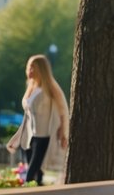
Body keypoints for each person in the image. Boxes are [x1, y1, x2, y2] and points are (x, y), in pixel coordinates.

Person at [5, 54, 69, 186]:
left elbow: (63, 111)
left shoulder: (50, 88)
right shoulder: (31, 88)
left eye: (33, 68)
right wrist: (17, 138)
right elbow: (27, 117)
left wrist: (63, 133)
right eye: (29, 67)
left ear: (42, 69)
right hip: (29, 138)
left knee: (29, 177)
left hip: (43, 138)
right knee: (37, 176)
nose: (30, 71)